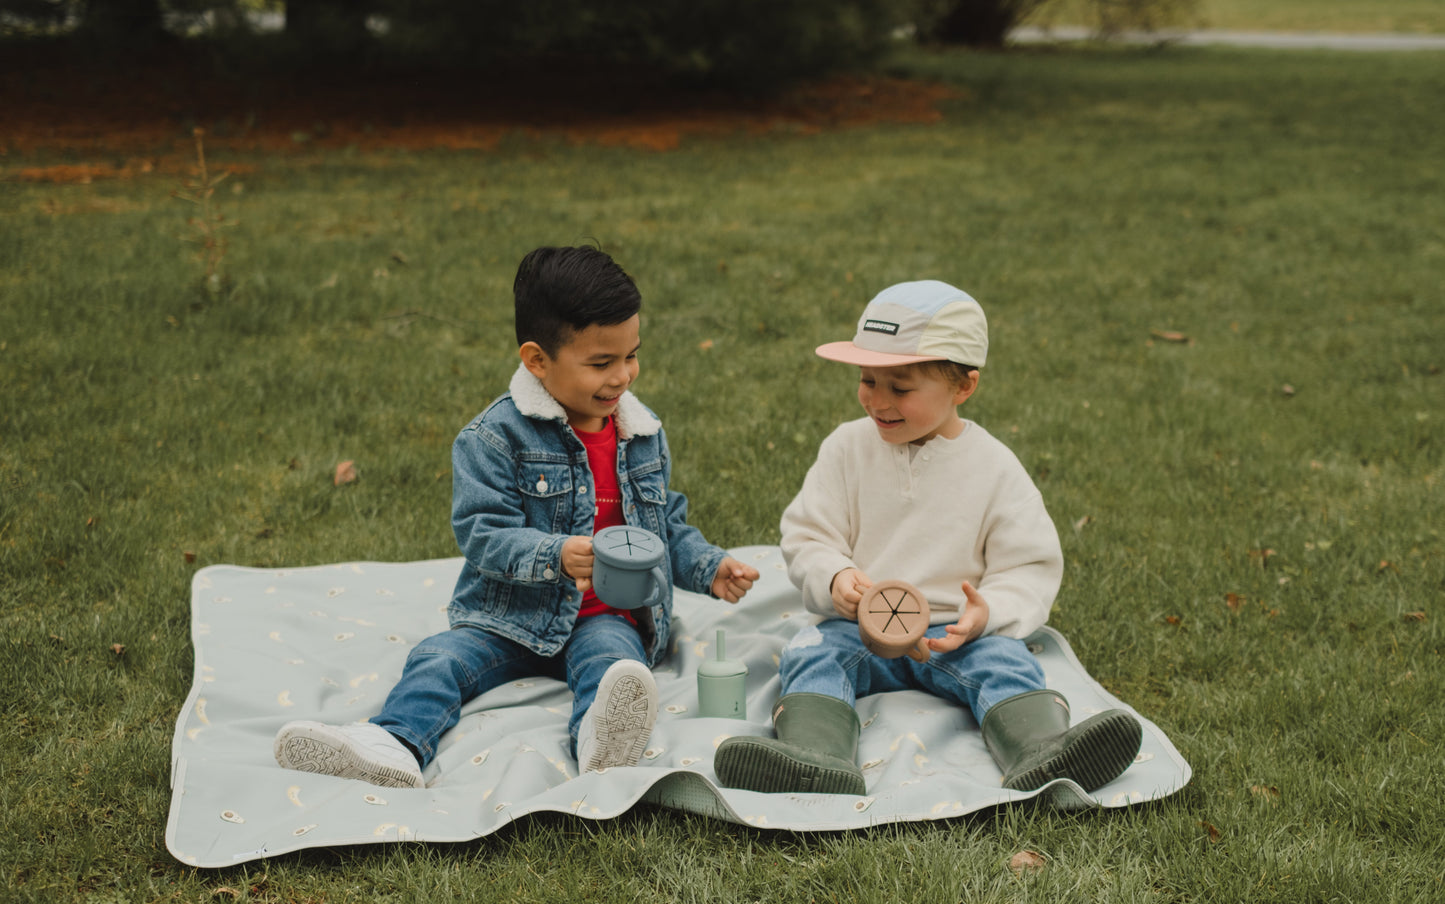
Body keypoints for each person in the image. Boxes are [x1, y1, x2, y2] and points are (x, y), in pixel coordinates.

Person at [275, 246, 759, 788]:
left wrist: (709, 568)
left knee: (615, 666)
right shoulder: (493, 438)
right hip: (509, 619)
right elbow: (484, 534)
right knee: (438, 658)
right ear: (537, 360)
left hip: (608, 615)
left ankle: (601, 741)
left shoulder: (642, 434)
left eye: (632, 356)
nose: (623, 376)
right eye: (601, 363)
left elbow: (664, 526)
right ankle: (394, 743)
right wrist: (554, 555)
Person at [714, 280, 1141, 796]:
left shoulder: (994, 469)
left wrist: (988, 613)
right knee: (810, 652)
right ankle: (815, 756)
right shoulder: (846, 449)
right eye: (868, 380)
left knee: (1008, 663)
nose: (878, 401)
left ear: (963, 387)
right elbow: (808, 534)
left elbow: (1028, 566)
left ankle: (1042, 749)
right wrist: (835, 576)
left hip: (954, 635)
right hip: (861, 627)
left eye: (901, 388)